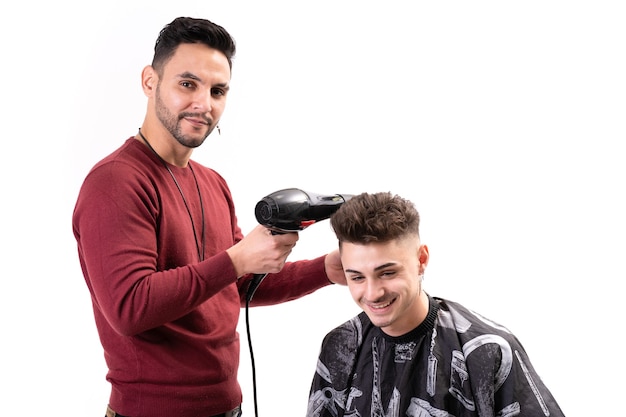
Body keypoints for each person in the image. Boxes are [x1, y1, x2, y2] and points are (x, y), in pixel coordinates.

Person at [72, 16, 345, 417]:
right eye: (188, 84)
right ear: (150, 81)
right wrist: (236, 259)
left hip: (226, 407)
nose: (204, 104)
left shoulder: (212, 183)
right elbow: (129, 307)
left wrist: (328, 269)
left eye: (218, 90)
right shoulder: (115, 181)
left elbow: (234, 285)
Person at [307, 192, 565, 417]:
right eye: (357, 277)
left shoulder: (488, 350)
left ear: (421, 259)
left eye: (387, 273)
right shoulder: (341, 345)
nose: (373, 293)